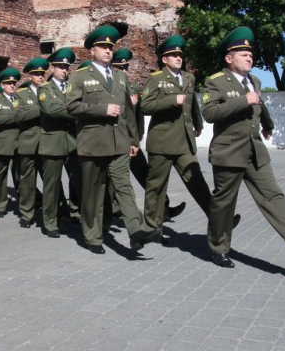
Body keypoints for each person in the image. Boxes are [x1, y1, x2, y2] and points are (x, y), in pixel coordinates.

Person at [202, 26, 285, 268]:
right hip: (228, 152)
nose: (249, 57)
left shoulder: (255, 80)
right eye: (243, 54)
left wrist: (267, 124)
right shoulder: (216, 81)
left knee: (272, 195)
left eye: (250, 54)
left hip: (254, 150)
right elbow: (209, 113)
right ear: (229, 59)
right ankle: (218, 248)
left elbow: (259, 105)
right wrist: (243, 100)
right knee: (224, 202)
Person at [66, 25, 162, 254]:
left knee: (124, 187)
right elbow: (71, 106)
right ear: (93, 51)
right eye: (103, 47)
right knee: (93, 193)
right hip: (92, 145)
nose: (108, 51)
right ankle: (93, 236)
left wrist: (132, 140)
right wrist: (101, 109)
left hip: (119, 143)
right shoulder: (79, 76)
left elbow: (127, 112)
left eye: (110, 47)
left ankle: (136, 231)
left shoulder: (120, 76)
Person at [141, 35, 240, 232]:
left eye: (180, 55)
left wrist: (198, 123)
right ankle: (152, 228)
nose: (178, 58)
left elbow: (193, 103)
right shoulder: (156, 78)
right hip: (162, 142)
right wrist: (171, 101)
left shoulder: (189, 78)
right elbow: (145, 106)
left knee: (197, 182)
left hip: (184, 141)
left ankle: (220, 220)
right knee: (156, 187)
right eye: (173, 55)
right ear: (164, 60)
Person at [111, 48, 186, 222]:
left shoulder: (133, 87)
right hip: (114, 142)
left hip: (132, 142)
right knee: (113, 181)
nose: (123, 71)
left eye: (125, 68)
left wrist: (137, 139)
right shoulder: (110, 88)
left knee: (147, 177)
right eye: (119, 68)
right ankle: (114, 210)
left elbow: (138, 118)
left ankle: (163, 208)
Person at [38, 48, 83, 238]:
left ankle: (84, 216)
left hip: (74, 142)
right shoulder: (44, 90)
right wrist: (78, 111)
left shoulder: (73, 87)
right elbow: (51, 109)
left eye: (67, 67)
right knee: (52, 185)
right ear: (53, 68)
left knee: (81, 182)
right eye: (61, 67)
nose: (64, 70)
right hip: (53, 143)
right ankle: (50, 222)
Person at [14, 57, 49, 228]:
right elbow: (18, 116)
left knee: (50, 181)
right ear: (30, 77)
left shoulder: (51, 91)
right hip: (29, 144)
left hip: (48, 143)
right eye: (36, 74)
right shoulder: (21, 94)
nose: (41, 76)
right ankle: (26, 214)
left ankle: (54, 213)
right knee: (28, 182)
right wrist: (41, 108)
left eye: (42, 73)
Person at [0, 68, 21, 218]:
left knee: (20, 176)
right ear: (2, 85)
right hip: (2, 144)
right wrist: (19, 115)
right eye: (9, 83)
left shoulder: (21, 99)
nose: (12, 86)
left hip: (20, 143)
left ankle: (24, 203)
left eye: (14, 83)